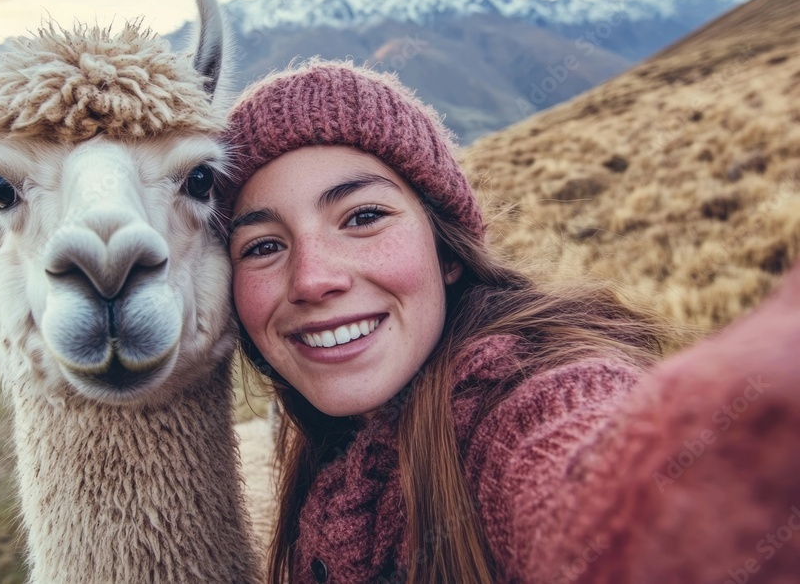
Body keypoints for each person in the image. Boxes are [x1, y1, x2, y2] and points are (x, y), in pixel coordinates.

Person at [219, 59, 800, 584]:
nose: (312, 279)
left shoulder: (515, 402)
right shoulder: (329, 452)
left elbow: (602, 493)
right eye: (263, 246)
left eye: (363, 216)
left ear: (447, 251)